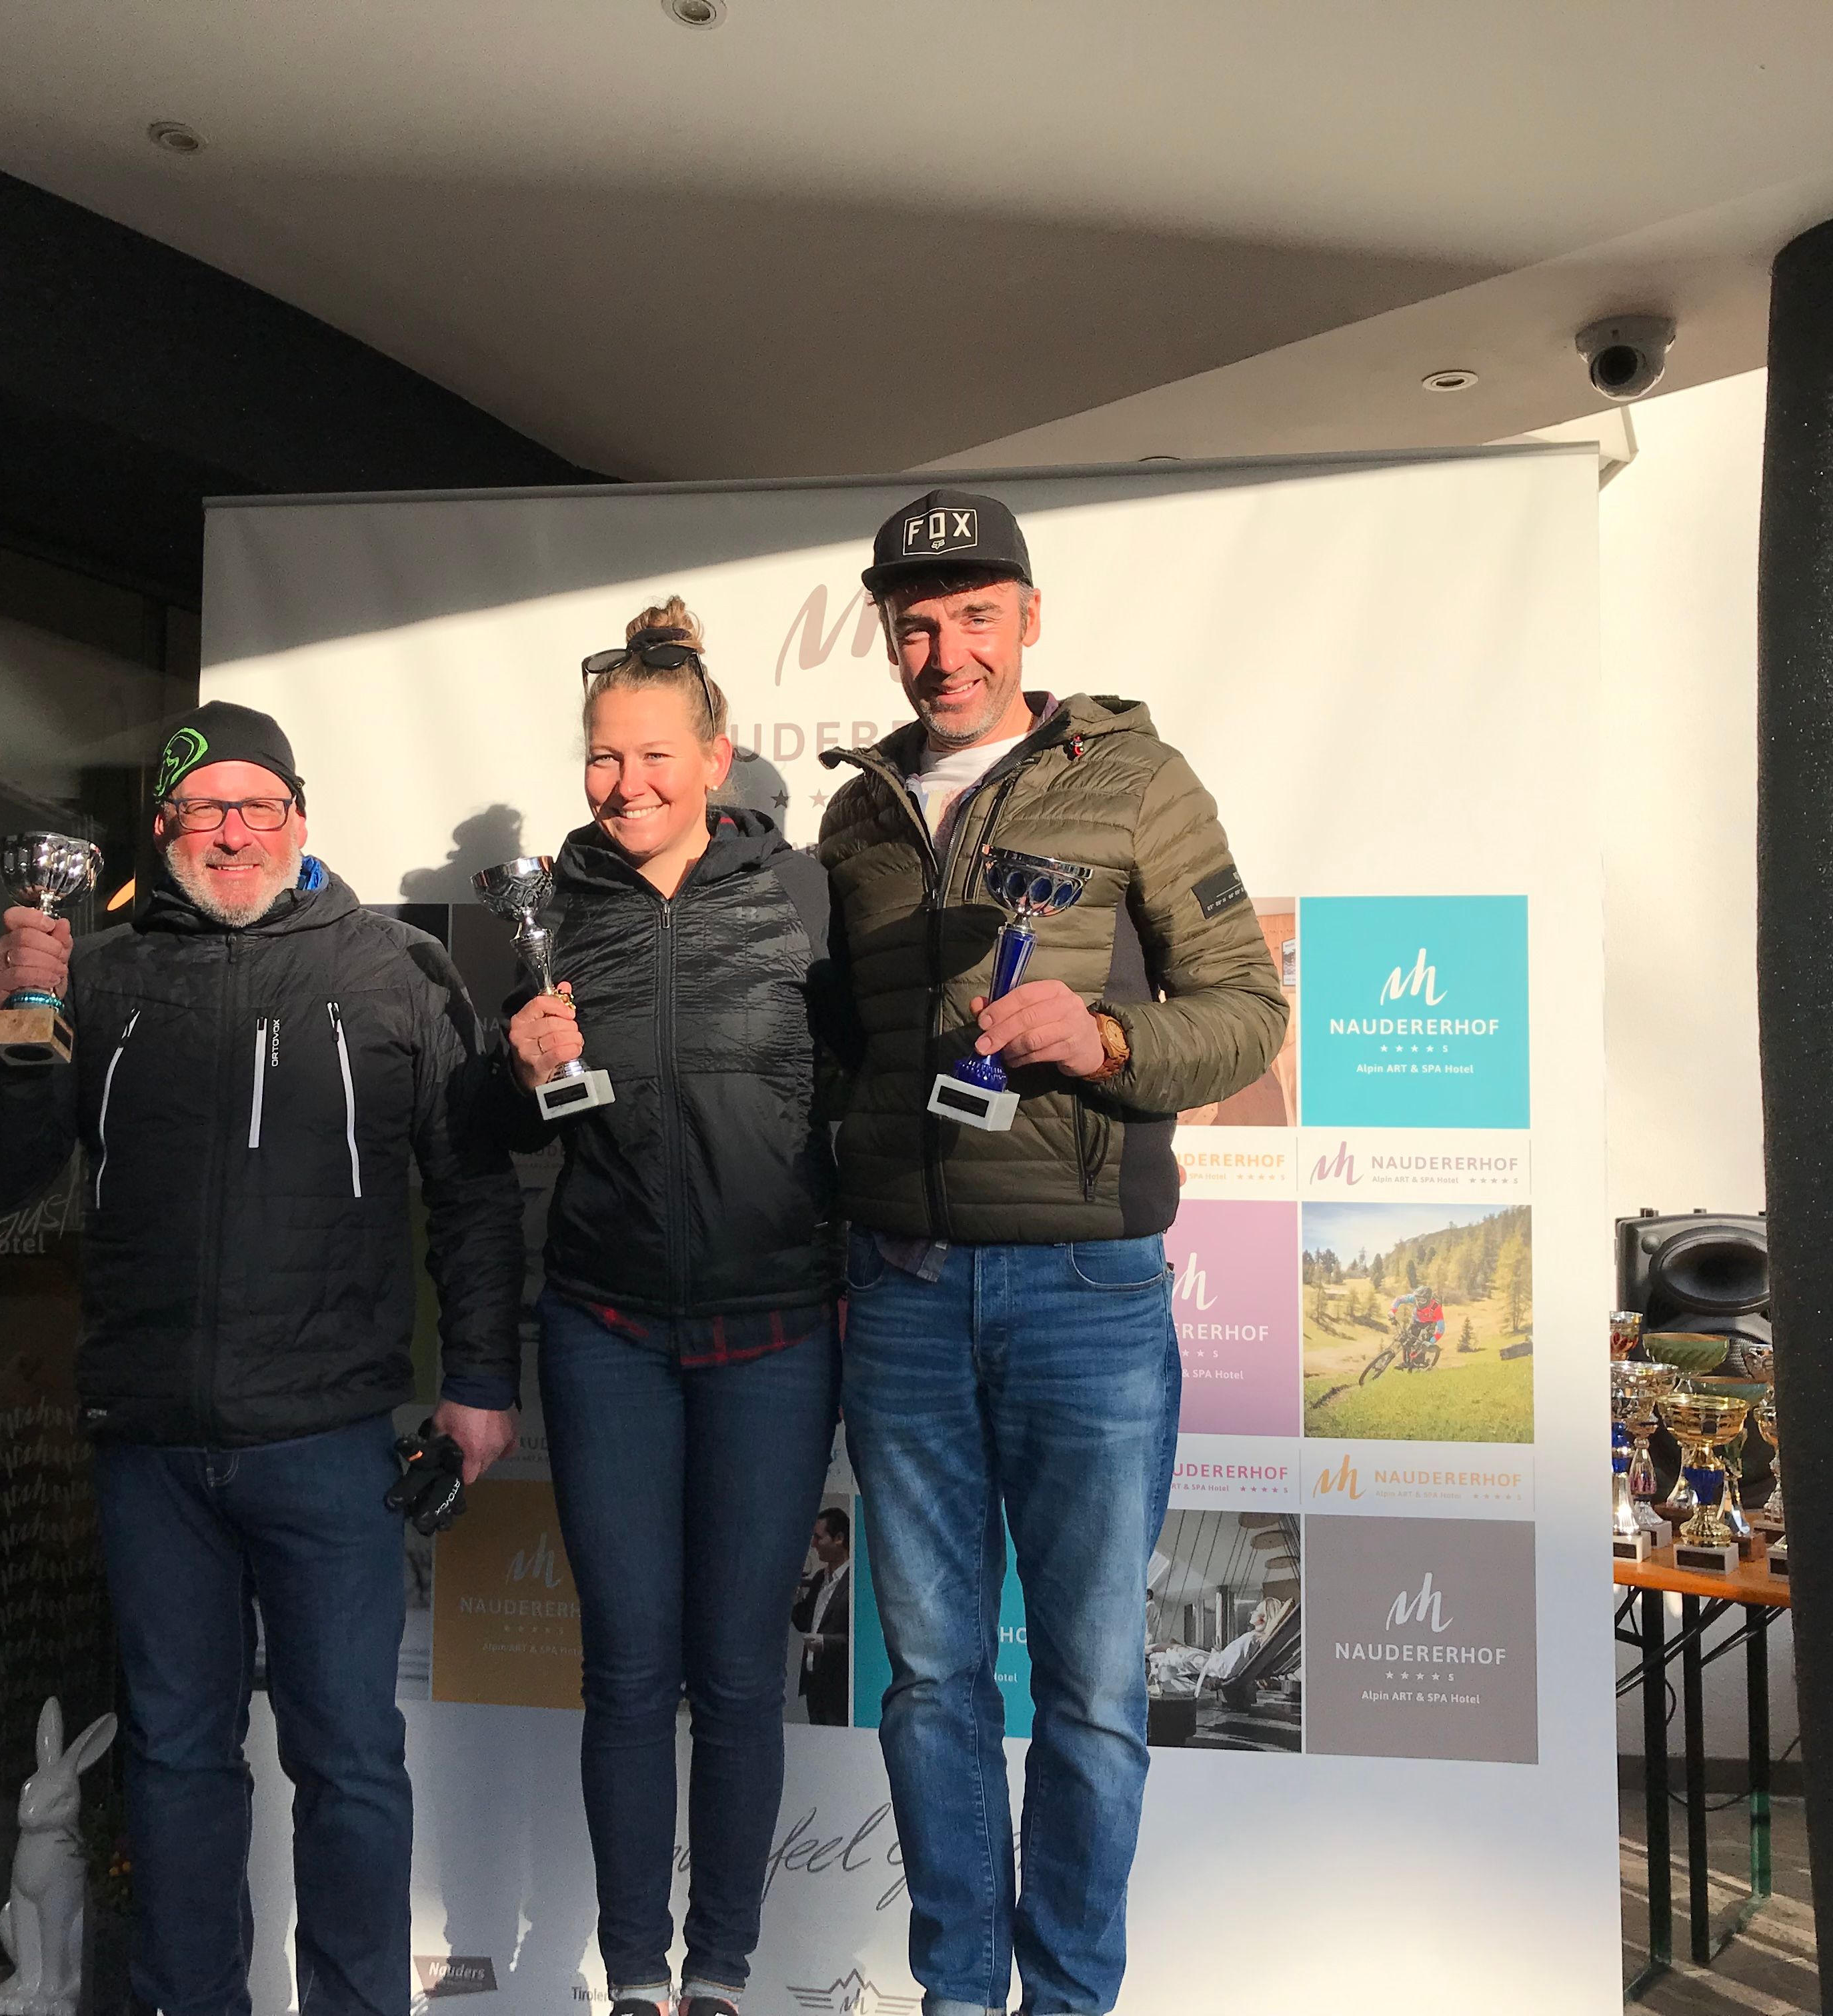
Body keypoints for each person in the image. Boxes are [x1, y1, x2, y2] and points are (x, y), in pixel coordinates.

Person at [0, 701, 523, 2016]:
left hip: (328, 1441)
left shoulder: (396, 971)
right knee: (174, 1760)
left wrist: (481, 1379)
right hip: (150, 1446)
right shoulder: (96, 973)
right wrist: (17, 1019)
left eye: (259, 806)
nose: (233, 832)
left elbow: (474, 1191)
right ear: (163, 829)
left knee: (350, 1761)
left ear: (300, 818)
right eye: (204, 809)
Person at [816, 489, 1288, 2016]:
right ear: (887, 632)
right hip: (901, 1295)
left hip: (1085, 1294)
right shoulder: (857, 816)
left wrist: (1104, 1038)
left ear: (1028, 617)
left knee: (1091, 1688)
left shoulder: (1139, 781)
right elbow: (845, 1051)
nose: (944, 650)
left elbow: (1248, 1012)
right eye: (916, 622)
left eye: (974, 615)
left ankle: (1071, 1999)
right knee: (930, 1683)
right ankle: (961, 1994)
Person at [501, 599, 839, 2016]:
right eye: (603, 755)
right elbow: (501, 1132)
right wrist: (513, 1070)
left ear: (716, 757)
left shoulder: (806, 899)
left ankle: (724, 1975)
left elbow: (862, 1096)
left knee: (742, 1672)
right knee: (629, 1670)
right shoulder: (550, 910)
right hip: (608, 1334)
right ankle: (638, 1976)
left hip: (775, 1335)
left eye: (653, 754)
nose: (625, 782)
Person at [789, 1508, 852, 1728]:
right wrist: (794, 1591)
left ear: (839, 1539)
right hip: (814, 1686)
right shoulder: (819, 1579)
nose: (813, 1544)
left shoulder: (855, 1582)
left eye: (818, 1537)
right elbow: (802, 1622)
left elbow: (860, 1641)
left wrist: (825, 1642)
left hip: (840, 1690)